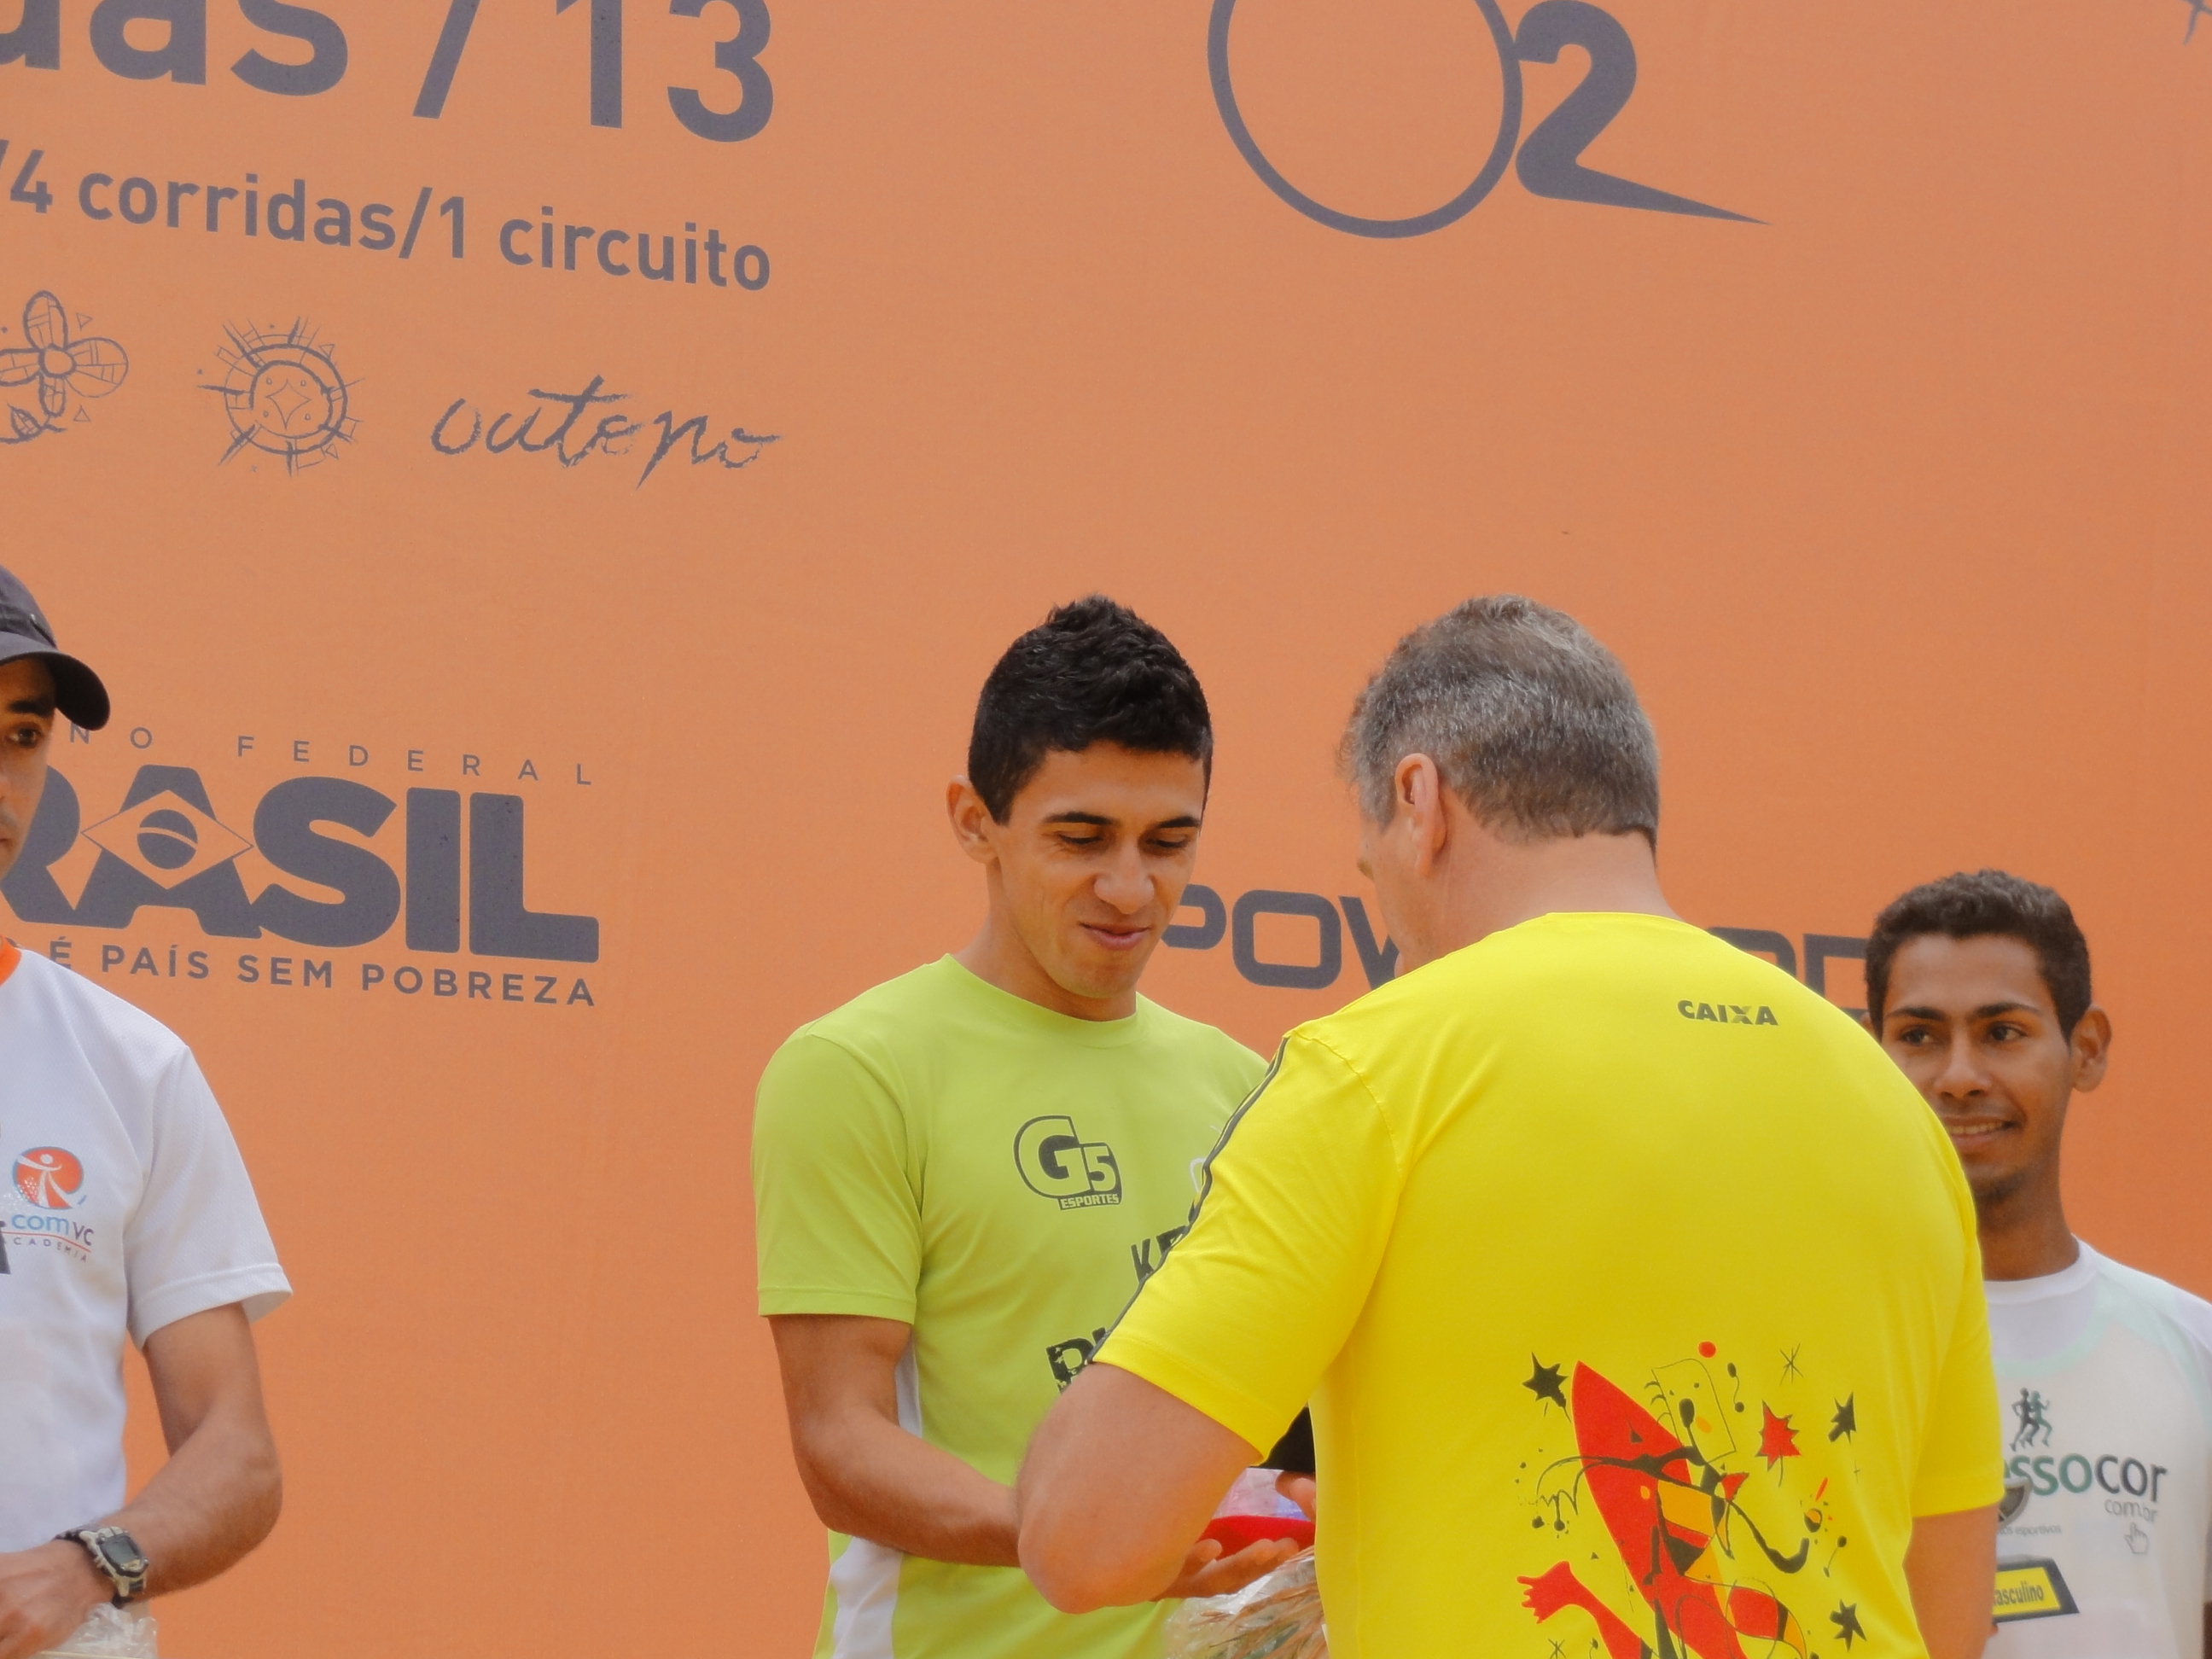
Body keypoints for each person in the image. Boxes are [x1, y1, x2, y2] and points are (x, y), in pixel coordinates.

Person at [1017, 595, 2004, 1659]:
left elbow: (1085, 1537)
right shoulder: (1894, 1114)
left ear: (1420, 801)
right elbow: (1951, 1619)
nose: (1393, 936)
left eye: (1371, 873)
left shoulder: (1374, 1068)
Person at [752, 597, 1291, 1659]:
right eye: (1081, 838)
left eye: (1168, 842)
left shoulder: (1246, 1086)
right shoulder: (858, 1070)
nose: (1130, 888)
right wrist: (1081, 1540)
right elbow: (839, 1443)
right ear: (974, 821)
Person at [0, 565, 290, 1659]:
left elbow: (236, 1453)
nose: (2, 778)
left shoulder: (132, 1065)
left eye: (24, 736)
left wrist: (90, 1566)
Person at [1867, 870, 2212, 1659]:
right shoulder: (1823, 1347)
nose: (1959, 1077)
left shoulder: (2195, 1350)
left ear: (2085, 1050)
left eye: (2002, 1033)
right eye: (1919, 1036)